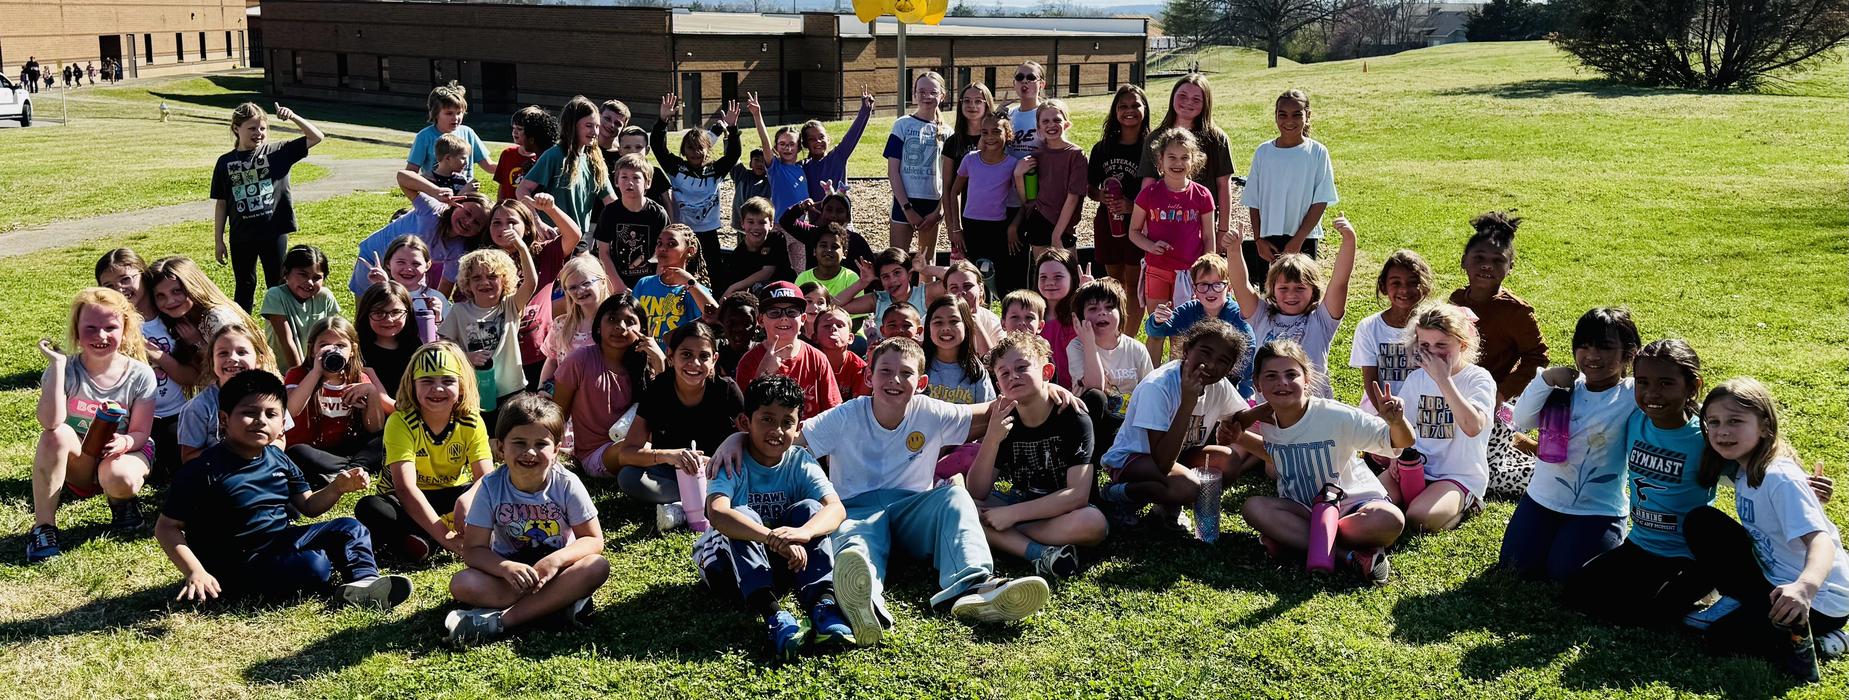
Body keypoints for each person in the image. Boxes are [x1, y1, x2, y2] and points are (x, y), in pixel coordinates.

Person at [711, 337, 1060, 647]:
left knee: (954, 494)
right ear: (868, 377)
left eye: (906, 374)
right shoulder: (844, 416)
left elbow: (991, 410)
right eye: (886, 371)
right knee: (853, 546)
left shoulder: (932, 411)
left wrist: (1045, 390)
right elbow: (784, 440)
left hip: (912, 510)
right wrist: (737, 437)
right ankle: (866, 606)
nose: (895, 380)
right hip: (855, 512)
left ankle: (976, 588)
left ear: (921, 383)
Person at [156, 369, 412, 607]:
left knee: (350, 527)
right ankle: (324, 572)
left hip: (279, 541)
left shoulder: (278, 458)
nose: (260, 421)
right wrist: (195, 571)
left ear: (282, 421)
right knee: (315, 565)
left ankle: (365, 581)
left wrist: (337, 488)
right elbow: (166, 527)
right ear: (224, 419)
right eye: (250, 412)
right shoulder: (203, 469)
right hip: (236, 563)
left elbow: (309, 506)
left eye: (271, 414)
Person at [1684, 378, 1849, 681]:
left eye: (1735, 421)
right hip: (1774, 581)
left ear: (1764, 426)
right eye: (1714, 422)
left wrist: (1804, 588)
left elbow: (1821, 541)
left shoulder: (1779, 477)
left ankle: (1832, 641)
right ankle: (1744, 602)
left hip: (1817, 600)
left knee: (1723, 640)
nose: (1722, 431)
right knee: (1701, 522)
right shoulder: (1742, 466)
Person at [693, 375, 854, 656]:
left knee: (811, 511)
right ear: (746, 423)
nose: (777, 430)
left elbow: (836, 508)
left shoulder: (799, 460)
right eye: (767, 419)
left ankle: (823, 606)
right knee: (742, 515)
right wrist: (771, 538)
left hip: (782, 562)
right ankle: (774, 618)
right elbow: (717, 514)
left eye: (787, 422)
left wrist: (803, 532)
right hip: (725, 568)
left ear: (798, 427)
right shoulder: (731, 460)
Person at [1233, 340, 1408, 584]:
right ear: (1257, 383)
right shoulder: (1266, 421)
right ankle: (1349, 556)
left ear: (1307, 379)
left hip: (1354, 506)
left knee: (1390, 519)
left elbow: (1399, 443)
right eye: (1271, 376)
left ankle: (1295, 540)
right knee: (1253, 508)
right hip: (1303, 508)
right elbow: (1280, 455)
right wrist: (1242, 432)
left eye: (1291, 374)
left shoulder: (1335, 415)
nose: (1282, 382)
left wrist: (1396, 422)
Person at [444, 394, 610, 645]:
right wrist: (505, 568)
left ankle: (501, 621)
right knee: (462, 583)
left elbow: (593, 539)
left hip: (558, 571)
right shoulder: (490, 487)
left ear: (556, 450)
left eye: (541, 444)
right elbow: (474, 550)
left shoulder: (566, 484)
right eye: (519, 442)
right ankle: (557, 606)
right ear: (501, 447)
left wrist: (555, 561)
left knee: (597, 566)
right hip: (510, 577)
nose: (530, 452)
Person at [1500, 308, 1641, 582]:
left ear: (1629, 354)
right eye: (1584, 346)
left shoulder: (1632, 395)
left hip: (1597, 510)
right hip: (1541, 500)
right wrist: (1545, 380)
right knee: (1515, 566)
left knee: (1567, 576)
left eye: (1605, 347)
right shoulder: (1563, 386)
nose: (1592, 355)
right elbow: (1521, 420)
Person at [26, 289, 160, 563]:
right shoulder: (67, 370)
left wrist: (123, 443)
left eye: (110, 327)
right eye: (91, 328)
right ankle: (44, 527)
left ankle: (121, 501)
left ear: (125, 330)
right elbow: (50, 422)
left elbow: (141, 433)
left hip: (123, 455)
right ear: (76, 331)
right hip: (81, 462)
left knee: (120, 477)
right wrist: (58, 367)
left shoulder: (139, 374)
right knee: (57, 434)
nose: (100, 336)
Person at [966, 331, 1107, 579]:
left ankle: (1008, 536)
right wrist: (991, 438)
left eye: (1022, 367)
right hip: (1023, 503)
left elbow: (1077, 495)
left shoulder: (1072, 415)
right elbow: (977, 491)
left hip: (1064, 512)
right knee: (965, 507)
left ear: (1046, 372)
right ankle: (1040, 554)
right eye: (1004, 373)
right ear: (998, 385)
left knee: (1093, 523)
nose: (1013, 377)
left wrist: (1012, 516)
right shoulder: (1004, 418)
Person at [1098, 320, 1251, 532]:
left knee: (1230, 461)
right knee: (1187, 487)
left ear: (1230, 368)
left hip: (1177, 456)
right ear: (1186, 350)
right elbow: (1162, 462)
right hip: (1133, 459)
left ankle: (1164, 508)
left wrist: (1274, 407)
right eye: (1205, 352)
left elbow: (1240, 415)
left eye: (1223, 361)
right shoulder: (1158, 386)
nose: (1212, 364)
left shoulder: (1218, 384)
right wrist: (1187, 403)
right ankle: (1117, 493)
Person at [355, 342, 495, 563]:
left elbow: (486, 477)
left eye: (448, 380)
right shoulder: (400, 422)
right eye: (427, 380)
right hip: (404, 500)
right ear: (413, 385)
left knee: (489, 495)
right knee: (370, 507)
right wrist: (448, 539)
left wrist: (467, 499)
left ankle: (422, 539)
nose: (437, 388)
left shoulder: (472, 421)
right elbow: (405, 488)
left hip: (451, 494)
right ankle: (435, 538)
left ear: (462, 385)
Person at [1448, 211, 1547, 500]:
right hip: (1458, 395)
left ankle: (1554, 472)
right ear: (1464, 261)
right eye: (1479, 258)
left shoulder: (1517, 312)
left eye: (1497, 260)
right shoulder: (1456, 300)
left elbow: (1537, 357)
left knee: (1485, 476)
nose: (1487, 266)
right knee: (1451, 457)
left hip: (1498, 401)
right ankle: (1515, 442)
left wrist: (1503, 393)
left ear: (1510, 266)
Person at [1381, 303, 1497, 534]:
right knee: (1371, 504)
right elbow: (1406, 431)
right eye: (1425, 345)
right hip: (1415, 467)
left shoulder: (1478, 379)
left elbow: (1472, 427)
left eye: (1441, 345)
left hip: (1456, 475)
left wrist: (1443, 380)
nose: (1432, 353)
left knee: (1417, 519)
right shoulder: (1416, 379)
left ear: (1462, 345)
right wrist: (1396, 454)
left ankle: (1467, 504)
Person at [619, 322, 744, 531]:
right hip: (672, 475)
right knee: (628, 477)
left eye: (703, 356)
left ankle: (686, 506)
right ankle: (702, 502)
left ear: (714, 359)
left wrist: (714, 461)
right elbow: (627, 453)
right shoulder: (658, 389)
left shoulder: (727, 390)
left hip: (719, 473)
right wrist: (672, 456)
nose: (694, 363)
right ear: (670, 356)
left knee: (744, 478)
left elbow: (749, 440)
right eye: (686, 355)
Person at [1227, 212, 1357, 399]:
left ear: (1314, 290)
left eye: (1300, 288)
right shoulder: (1261, 315)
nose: (1291, 294)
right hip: (1270, 414)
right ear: (1272, 288)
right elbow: (1241, 285)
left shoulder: (1321, 320)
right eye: (1283, 288)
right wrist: (1233, 250)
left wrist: (1349, 240)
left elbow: (1339, 282)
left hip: (1314, 414)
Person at [211, 103, 323, 310]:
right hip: (241, 235)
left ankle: (281, 328)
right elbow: (222, 203)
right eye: (252, 128)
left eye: (262, 128)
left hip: (274, 232)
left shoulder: (278, 152)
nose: (259, 133)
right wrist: (219, 240)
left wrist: (293, 116)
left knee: (278, 283)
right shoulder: (224, 163)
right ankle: (245, 333)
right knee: (244, 285)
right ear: (236, 128)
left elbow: (317, 137)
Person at [97, 249, 192, 482]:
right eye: (108, 285)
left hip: (174, 412)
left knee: (182, 465)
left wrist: (157, 355)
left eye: (126, 279)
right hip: (133, 418)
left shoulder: (171, 317)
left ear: (144, 275)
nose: (119, 288)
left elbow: (190, 376)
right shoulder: (112, 326)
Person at [553, 293, 661, 479]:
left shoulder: (644, 366)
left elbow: (664, 412)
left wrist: (659, 360)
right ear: (598, 325)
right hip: (598, 454)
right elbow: (557, 414)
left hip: (638, 444)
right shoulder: (579, 360)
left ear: (642, 329)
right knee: (637, 449)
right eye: (612, 319)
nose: (620, 327)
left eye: (630, 322)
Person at [1242, 89, 1339, 287]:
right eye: (1282, 114)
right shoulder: (1264, 152)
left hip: (1304, 238)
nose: (1289, 120)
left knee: (1302, 292)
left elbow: (1320, 201)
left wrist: (1298, 240)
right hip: (1268, 241)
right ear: (1275, 116)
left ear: (1308, 115)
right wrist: (1259, 239)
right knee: (1272, 293)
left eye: (1297, 114)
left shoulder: (1317, 152)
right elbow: (1254, 200)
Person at [439, 244, 538, 426]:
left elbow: (531, 282)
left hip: (512, 387)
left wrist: (522, 248)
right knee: (481, 434)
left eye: (492, 276)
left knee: (509, 434)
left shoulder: (510, 306)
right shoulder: (459, 311)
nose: (485, 282)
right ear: (467, 283)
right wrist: (465, 357)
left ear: (505, 281)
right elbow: (444, 345)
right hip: (474, 389)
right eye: (476, 278)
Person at [1138, 74, 1236, 257]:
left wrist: (1223, 229)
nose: (1188, 103)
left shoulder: (1217, 139)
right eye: (1182, 96)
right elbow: (1148, 182)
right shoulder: (1156, 138)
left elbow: (1224, 186)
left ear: (1206, 103)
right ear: (1173, 97)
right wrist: (1144, 227)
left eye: (1196, 99)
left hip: (1201, 226)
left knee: (1201, 276)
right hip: (1162, 223)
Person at [1129, 128, 1217, 331]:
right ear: (1160, 160)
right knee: (1157, 328)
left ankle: (1179, 364)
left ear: (1194, 160)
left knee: (1183, 330)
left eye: (1184, 157)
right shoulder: (1148, 194)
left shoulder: (1202, 195)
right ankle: (1153, 365)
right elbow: (1133, 232)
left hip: (1189, 273)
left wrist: (1206, 270)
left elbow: (1209, 238)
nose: (1178, 163)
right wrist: (1150, 246)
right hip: (1157, 270)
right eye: (1172, 157)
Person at [282, 317, 387, 482]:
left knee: (384, 439)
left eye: (340, 346)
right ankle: (352, 469)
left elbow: (375, 428)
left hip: (343, 451)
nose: (333, 350)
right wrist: (316, 372)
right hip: (310, 449)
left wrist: (372, 392)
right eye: (324, 345)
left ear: (352, 350)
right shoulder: (298, 375)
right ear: (312, 350)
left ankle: (345, 471)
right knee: (298, 453)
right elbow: (291, 411)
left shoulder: (358, 378)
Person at [1142, 254, 1257, 393]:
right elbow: (1154, 331)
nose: (1210, 291)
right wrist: (1158, 320)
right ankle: (1150, 383)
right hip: (1196, 370)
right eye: (1203, 285)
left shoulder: (1236, 314)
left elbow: (1249, 347)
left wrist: (1244, 390)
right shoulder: (1190, 309)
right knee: (1155, 336)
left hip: (1228, 376)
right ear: (1194, 288)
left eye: (1218, 284)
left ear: (1229, 288)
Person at [1089, 84, 1153, 331]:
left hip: (1138, 225)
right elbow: (1090, 188)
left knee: (1134, 283)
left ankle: (1129, 337)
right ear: (1115, 111)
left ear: (1145, 109)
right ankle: (1113, 334)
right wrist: (1102, 197)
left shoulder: (1151, 147)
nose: (1129, 111)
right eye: (1123, 106)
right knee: (1113, 282)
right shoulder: (1102, 147)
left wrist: (1132, 206)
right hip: (1108, 223)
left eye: (1135, 105)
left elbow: (1158, 189)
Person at [351, 191, 492, 298]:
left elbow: (446, 285)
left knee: (399, 307)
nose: (468, 222)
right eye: (467, 213)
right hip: (373, 259)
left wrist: (435, 305)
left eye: (477, 223)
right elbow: (403, 178)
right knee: (367, 308)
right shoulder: (432, 210)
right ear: (455, 204)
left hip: (406, 269)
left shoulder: (459, 249)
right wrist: (435, 190)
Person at [178, 322, 284, 464]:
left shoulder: (273, 396)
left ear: (259, 360)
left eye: (242, 352)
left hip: (264, 467)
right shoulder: (198, 407)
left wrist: (260, 459)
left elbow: (280, 439)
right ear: (211, 362)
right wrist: (237, 452)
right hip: (221, 473)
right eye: (223, 353)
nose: (233, 358)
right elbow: (189, 457)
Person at [1069, 277, 1153, 455]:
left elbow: (1149, 393)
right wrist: (1090, 344)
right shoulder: (1077, 347)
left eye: (1109, 307)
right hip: (1094, 424)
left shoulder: (1136, 349)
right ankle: (1092, 457)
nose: (1102, 313)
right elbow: (1094, 388)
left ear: (1121, 312)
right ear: (1080, 317)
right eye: (1093, 308)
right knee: (1095, 397)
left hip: (1128, 423)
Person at [653, 94, 741, 261]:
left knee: (713, 269)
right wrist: (662, 120)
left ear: (708, 149)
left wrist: (733, 128)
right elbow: (658, 147)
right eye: (690, 148)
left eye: (700, 148)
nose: (695, 152)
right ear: (683, 150)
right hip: (681, 232)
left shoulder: (715, 170)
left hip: (709, 231)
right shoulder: (676, 168)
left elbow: (733, 154)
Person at [944, 110, 1022, 298]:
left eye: (996, 131)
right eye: (985, 132)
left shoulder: (1013, 164)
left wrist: (1013, 226)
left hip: (998, 227)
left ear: (1008, 135)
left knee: (1002, 278)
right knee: (972, 275)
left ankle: (1005, 320)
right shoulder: (970, 159)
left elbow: (1025, 202)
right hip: (971, 226)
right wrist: (956, 227)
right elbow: (954, 191)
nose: (990, 137)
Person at [735, 282, 841, 419]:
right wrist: (762, 375)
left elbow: (833, 412)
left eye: (792, 312)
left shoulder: (817, 358)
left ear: (803, 318)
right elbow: (746, 417)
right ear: (760, 320)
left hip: (809, 438)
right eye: (774, 313)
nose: (784, 317)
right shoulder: (748, 362)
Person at [516, 96, 615, 238]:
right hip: (553, 237)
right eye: (588, 126)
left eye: (597, 126)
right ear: (572, 125)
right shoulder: (555, 155)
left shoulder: (596, 161)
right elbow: (522, 190)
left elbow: (611, 201)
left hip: (580, 238)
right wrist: (537, 223)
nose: (595, 132)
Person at [1349, 250, 1434, 415]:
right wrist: (1387, 415)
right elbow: (1371, 380)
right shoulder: (1369, 327)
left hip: (1423, 415)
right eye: (1396, 283)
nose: (1404, 290)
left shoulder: (1434, 326)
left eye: (1413, 282)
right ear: (1383, 286)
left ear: (1425, 286)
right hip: (1380, 414)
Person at [1014, 99, 1087, 261]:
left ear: (1066, 124)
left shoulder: (1076, 155)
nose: (1051, 125)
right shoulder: (1037, 155)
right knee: (1043, 273)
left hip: (1064, 225)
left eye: (1057, 120)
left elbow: (1073, 197)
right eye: (1045, 121)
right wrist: (1018, 175)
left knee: (1069, 274)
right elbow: (1027, 199)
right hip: (1039, 220)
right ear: (1038, 128)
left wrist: (1057, 234)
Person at [593, 153, 671, 293]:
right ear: (616, 181)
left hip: (649, 280)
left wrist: (654, 284)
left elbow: (664, 254)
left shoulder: (657, 214)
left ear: (648, 182)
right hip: (617, 280)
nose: (630, 182)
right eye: (624, 177)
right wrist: (617, 285)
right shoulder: (609, 213)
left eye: (636, 178)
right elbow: (603, 252)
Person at [632, 225, 717, 342]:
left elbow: (715, 315)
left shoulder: (695, 289)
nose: (662, 248)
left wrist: (690, 282)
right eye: (659, 243)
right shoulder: (644, 283)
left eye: (671, 244)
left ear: (690, 251)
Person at [836, 247, 937, 345]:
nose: (892, 280)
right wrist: (863, 282)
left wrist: (926, 269)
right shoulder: (878, 300)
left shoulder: (924, 294)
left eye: (897, 273)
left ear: (909, 274)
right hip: (887, 357)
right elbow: (835, 305)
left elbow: (952, 279)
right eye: (886, 277)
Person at [261, 245, 340, 369]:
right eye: (303, 275)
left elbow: (333, 336)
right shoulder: (275, 295)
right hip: (282, 372)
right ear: (286, 273)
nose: (309, 282)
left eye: (316, 278)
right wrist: (299, 377)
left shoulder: (325, 297)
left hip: (316, 370)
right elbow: (287, 342)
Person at [539, 256, 613, 389]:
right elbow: (552, 361)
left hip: (602, 399)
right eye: (572, 287)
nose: (580, 291)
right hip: (566, 399)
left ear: (602, 282)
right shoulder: (561, 325)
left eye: (586, 283)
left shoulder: (615, 325)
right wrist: (541, 390)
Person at [405, 83, 494, 180]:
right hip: (437, 193)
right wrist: (419, 195)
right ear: (435, 113)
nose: (456, 118)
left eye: (459, 113)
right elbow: (410, 173)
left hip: (465, 192)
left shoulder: (468, 133)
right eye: (449, 113)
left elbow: (488, 165)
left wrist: (511, 166)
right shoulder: (425, 136)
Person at [748, 92, 809, 228]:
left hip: (801, 226)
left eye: (791, 144)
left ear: (799, 147)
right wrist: (757, 115)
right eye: (782, 144)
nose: (787, 148)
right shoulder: (775, 167)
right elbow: (765, 141)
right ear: (776, 147)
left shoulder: (801, 169)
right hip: (780, 224)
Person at [802, 86, 875, 200]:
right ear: (805, 144)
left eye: (821, 137)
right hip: (817, 217)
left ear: (828, 139)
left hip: (840, 215)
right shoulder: (803, 166)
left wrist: (865, 111)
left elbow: (853, 135)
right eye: (812, 139)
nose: (818, 141)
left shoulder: (838, 156)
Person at [921, 296, 995, 406]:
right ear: (928, 327)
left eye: (954, 321)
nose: (946, 328)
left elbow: (987, 411)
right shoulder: (918, 366)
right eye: (938, 322)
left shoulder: (976, 370)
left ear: (966, 325)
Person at [717, 197, 796, 297]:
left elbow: (767, 272)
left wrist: (733, 288)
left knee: (759, 286)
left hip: (783, 290)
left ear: (771, 224)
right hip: (754, 298)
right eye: (750, 222)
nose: (756, 227)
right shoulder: (738, 255)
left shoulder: (776, 239)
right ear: (742, 224)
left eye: (762, 222)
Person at [355, 281, 417, 402]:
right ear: (366, 314)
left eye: (396, 312)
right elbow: (381, 401)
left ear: (408, 312)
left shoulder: (416, 346)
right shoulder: (358, 350)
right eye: (379, 313)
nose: (389, 319)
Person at [1034, 249, 1083, 388]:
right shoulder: (1030, 317)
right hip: (1042, 393)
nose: (1050, 282)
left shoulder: (1080, 316)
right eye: (1043, 277)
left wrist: (1087, 295)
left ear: (1073, 278)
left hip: (1077, 391)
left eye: (1058, 277)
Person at [493, 106, 555, 203]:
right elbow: (502, 185)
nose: (515, 131)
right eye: (513, 127)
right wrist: (498, 205)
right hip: (509, 209)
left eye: (520, 128)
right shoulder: (507, 154)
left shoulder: (542, 158)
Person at [793, 224, 860, 304]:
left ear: (844, 254)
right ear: (814, 251)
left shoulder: (851, 278)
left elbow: (858, 315)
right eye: (823, 245)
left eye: (834, 247)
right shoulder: (803, 278)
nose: (828, 250)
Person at [812, 304, 866, 400]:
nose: (833, 328)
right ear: (815, 338)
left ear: (850, 338)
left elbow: (859, 405)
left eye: (840, 325)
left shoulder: (859, 368)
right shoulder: (809, 363)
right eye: (826, 325)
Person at [423, 132, 480, 197]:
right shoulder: (428, 180)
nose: (466, 163)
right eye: (463, 158)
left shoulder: (461, 179)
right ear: (448, 158)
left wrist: (471, 194)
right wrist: (462, 193)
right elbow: (433, 205)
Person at [731, 149, 771, 227]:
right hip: (742, 226)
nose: (760, 164)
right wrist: (730, 140)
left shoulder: (772, 181)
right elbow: (732, 157)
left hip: (763, 227)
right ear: (750, 163)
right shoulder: (742, 176)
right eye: (756, 160)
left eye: (763, 161)